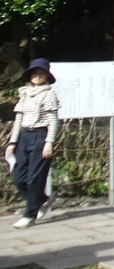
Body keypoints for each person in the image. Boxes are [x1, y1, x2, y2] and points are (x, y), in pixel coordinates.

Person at [6, 58, 60, 228]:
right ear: (29, 75)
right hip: (24, 136)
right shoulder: (24, 93)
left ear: (46, 77)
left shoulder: (49, 93)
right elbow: (18, 119)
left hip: (40, 136)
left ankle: (30, 214)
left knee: (34, 179)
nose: (37, 76)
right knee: (19, 177)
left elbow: (53, 120)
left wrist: (49, 142)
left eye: (41, 73)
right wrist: (13, 142)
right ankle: (43, 200)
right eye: (34, 73)